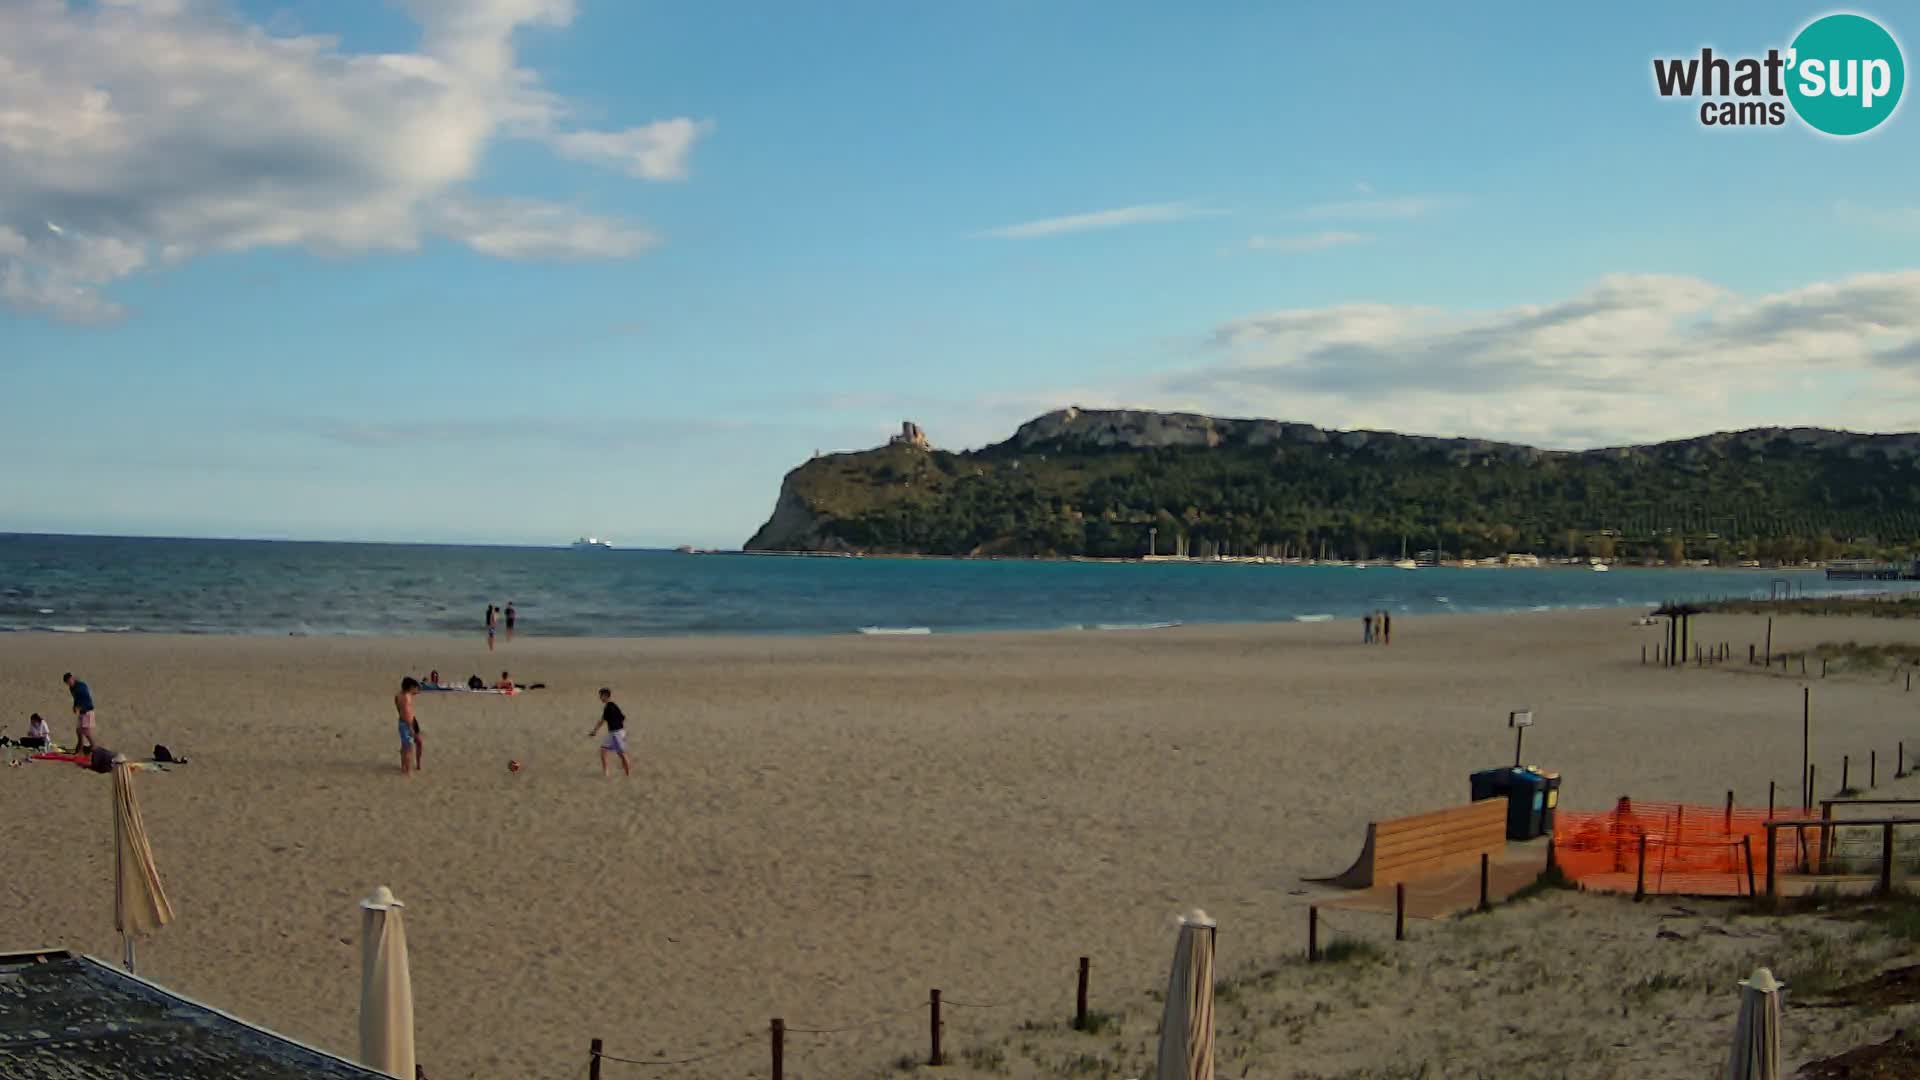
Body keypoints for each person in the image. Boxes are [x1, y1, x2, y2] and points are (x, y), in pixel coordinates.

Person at [587, 687, 631, 777]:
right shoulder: (614, 705)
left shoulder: (608, 707)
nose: (600, 698)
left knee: (622, 754)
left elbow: (602, 721)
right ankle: (606, 773)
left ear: (606, 696)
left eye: (601, 696)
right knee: (603, 750)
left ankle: (628, 775)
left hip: (616, 733)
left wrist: (594, 731)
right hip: (617, 732)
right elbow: (623, 718)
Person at [395, 676, 422, 776]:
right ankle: (407, 770)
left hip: (411, 721)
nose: (415, 689)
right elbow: (405, 713)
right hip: (407, 723)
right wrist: (410, 727)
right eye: (414, 687)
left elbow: (399, 709)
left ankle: (414, 765)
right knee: (408, 748)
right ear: (410, 687)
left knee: (416, 743)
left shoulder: (401, 694)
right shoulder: (406, 697)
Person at [63, 672, 96, 754]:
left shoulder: (81, 687)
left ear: (72, 678)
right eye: (67, 682)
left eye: (69, 681)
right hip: (82, 712)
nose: (69, 683)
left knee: (86, 731)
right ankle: (80, 748)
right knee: (79, 731)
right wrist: (75, 706)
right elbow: (76, 699)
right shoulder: (72, 688)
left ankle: (94, 747)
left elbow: (87, 699)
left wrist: (80, 707)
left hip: (88, 710)